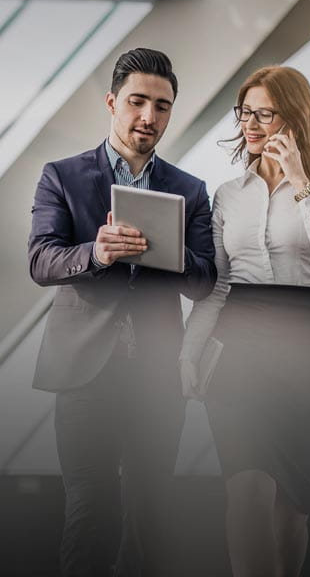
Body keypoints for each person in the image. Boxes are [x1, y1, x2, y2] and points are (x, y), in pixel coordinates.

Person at [28, 48, 217, 577]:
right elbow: (41, 260)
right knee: (91, 512)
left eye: (162, 106)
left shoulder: (189, 191)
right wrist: (97, 252)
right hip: (84, 373)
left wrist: (169, 252)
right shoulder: (61, 177)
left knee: (152, 517)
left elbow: (206, 282)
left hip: (156, 375)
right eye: (137, 102)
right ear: (112, 102)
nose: (148, 118)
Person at [179, 65, 310, 577]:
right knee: (247, 490)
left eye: (264, 113)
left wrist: (302, 182)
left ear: (295, 118)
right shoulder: (229, 194)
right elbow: (217, 285)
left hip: (307, 349)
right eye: (245, 112)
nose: (250, 124)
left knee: (291, 511)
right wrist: (190, 352)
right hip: (238, 346)